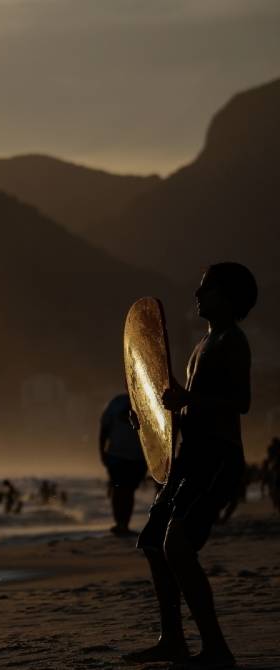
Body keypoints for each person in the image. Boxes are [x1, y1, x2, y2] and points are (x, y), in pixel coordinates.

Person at [124, 262, 256, 668]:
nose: (197, 295)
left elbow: (241, 403)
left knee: (176, 547)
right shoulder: (203, 343)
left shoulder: (232, 341)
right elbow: (184, 409)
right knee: (152, 542)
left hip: (218, 457)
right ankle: (173, 640)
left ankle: (217, 649)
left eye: (207, 289)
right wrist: (150, 418)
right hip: (190, 457)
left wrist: (187, 401)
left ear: (229, 298)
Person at [101, 392, 148, 536]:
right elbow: (104, 429)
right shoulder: (116, 403)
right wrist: (102, 452)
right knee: (119, 490)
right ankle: (120, 524)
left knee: (128, 491)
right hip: (117, 455)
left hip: (138, 457)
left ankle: (124, 525)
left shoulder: (146, 401)